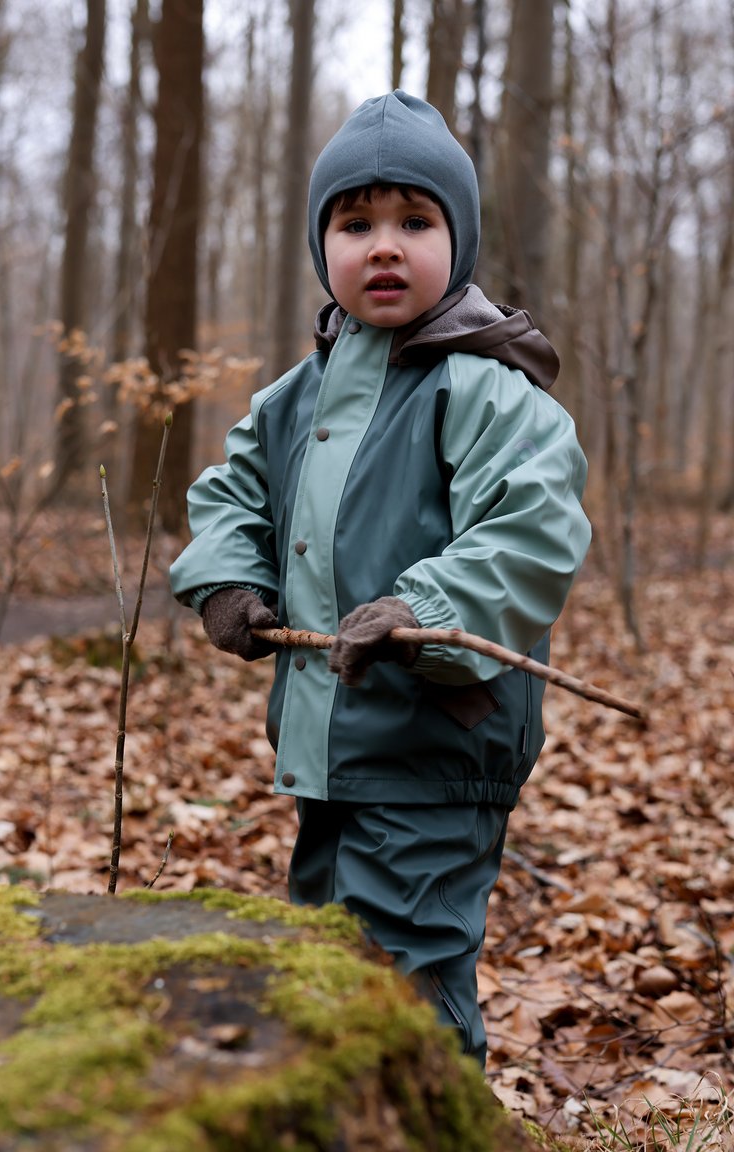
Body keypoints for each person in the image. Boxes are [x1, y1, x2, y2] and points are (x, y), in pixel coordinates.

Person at [170, 91, 591, 1068]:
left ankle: (434, 1119)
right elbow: (228, 493)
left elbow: (528, 529)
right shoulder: (296, 396)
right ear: (323, 248)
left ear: (460, 240)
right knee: (326, 963)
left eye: (414, 221)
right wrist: (228, 581)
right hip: (326, 748)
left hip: (439, 743)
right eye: (354, 224)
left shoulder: (481, 387)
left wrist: (421, 609)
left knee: (405, 974)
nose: (384, 246)